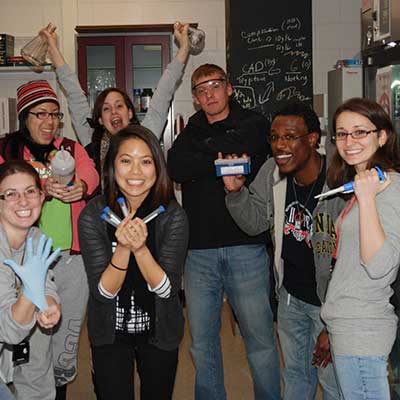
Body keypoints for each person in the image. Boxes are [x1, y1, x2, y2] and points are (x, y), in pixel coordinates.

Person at [167, 63, 280, 400]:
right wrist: (223, 157)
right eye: (201, 90)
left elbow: (252, 147)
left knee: (259, 339)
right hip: (199, 251)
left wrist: (205, 156)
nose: (209, 93)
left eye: (214, 85)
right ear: (196, 99)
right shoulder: (189, 131)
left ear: (229, 88)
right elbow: (175, 167)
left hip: (247, 246)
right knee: (202, 343)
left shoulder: (255, 123)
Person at [223, 102, 342, 399]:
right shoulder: (272, 172)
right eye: (274, 137)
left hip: (328, 305)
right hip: (290, 298)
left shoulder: (339, 182)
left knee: (332, 382)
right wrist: (236, 193)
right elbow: (254, 224)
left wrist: (334, 323)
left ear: (313, 139)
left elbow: (351, 261)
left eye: (289, 137)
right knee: (296, 377)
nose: (279, 145)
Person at [0, 80, 100, 399]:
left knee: (61, 332)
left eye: (54, 114)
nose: (49, 121)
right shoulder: (6, 149)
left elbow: (91, 173)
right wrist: (36, 185)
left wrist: (80, 187)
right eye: (40, 113)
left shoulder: (69, 148)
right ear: (24, 116)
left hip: (68, 257)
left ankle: (55, 392)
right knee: (14, 325)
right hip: (17, 253)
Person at [78, 125, 189, 399]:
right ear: (112, 167)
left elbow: (167, 290)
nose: (136, 172)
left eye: (146, 161)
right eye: (126, 161)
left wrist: (140, 249)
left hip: (160, 328)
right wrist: (123, 249)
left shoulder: (172, 215)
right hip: (110, 329)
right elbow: (103, 293)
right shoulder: (94, 214)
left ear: (157, 167)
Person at [319, 97, 400, 399]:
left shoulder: (388, 189)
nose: (349, 141)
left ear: (381, 136)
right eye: (341, 133)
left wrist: (366, 199)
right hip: (348, 327)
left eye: (359, 132)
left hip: (363, 331)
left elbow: (380, 266)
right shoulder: (366, 184)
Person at [41, 22, 190, 167]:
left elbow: (164, 92)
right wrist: (52, 48)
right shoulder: (91, 140)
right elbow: (74, 94)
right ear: (100, 120)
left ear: (130, 113)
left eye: (119, 106)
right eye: (106, 109)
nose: (114, 112)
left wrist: (184, 48)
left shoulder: (145, 136)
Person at [0, 160, 61, 400]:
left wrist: (50, 305)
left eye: (30, 191)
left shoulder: (37, 237)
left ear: (42, 196)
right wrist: (30, 292)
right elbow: (8, 329)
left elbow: (46, 286)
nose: (23, 201)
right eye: (11, 194)